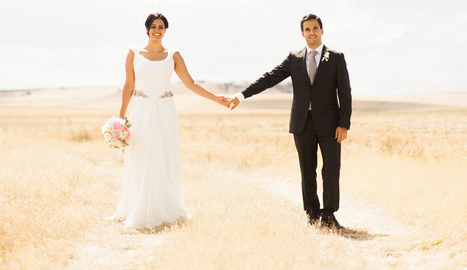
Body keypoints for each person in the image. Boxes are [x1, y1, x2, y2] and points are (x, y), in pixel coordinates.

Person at [227, 14, 351, 229]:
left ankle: (329, 214)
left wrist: (344, 124)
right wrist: (242, 95)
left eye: (315, 28)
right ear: (302, 33)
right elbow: (270, 77)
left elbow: (345, 93)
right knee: (307, 168)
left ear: (322, 31)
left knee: (331, 169)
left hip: (330, 124)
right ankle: (312, 214)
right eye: (307, 29)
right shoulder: (294, 57)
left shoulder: (336, 57)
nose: (311, 32)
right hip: (302, 123)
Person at [112, 12, 228, 229]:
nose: (157, 30)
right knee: (141, 155)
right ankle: (135, 208)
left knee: (164, 155)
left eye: (162, 27)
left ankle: (165, 209)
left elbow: (190, 83)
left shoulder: (173, 55)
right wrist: (121, 117)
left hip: (165, 110)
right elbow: (128, 86)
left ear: (165, 30)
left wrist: (216, 99)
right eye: (154, 26)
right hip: (141, 109)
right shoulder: (133, 54)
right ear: (147, 29)